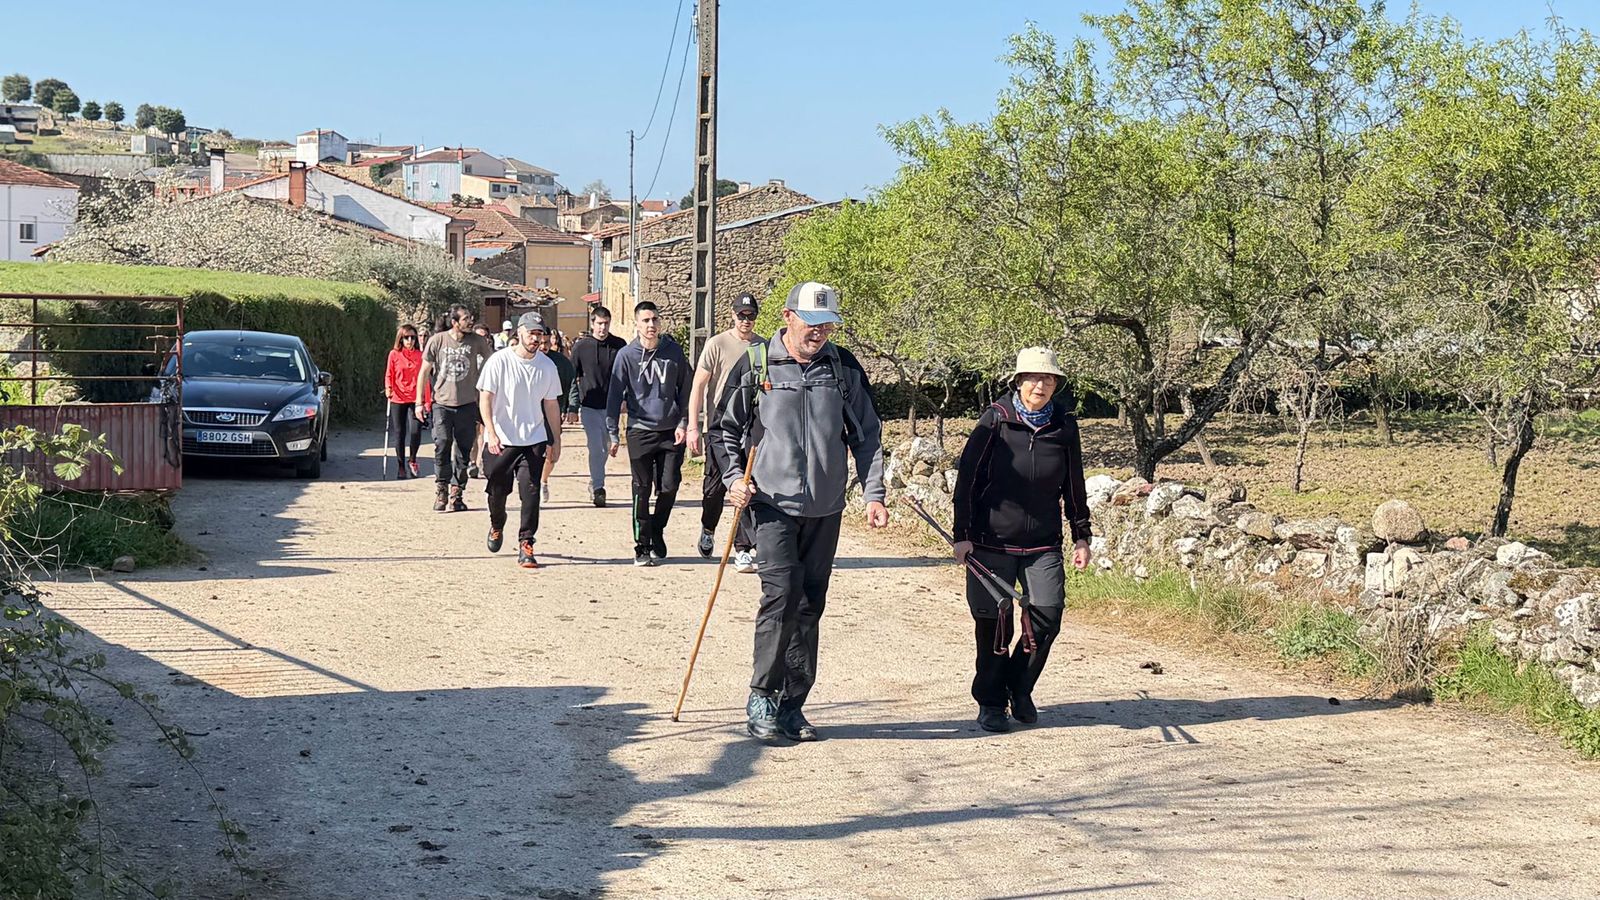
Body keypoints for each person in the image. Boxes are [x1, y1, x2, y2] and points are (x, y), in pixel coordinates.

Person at [708, 281, 888, 742]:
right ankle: (762, 696)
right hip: (771, 503)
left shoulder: (843, 368)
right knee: (781, 595)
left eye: (827, 324)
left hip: (825, 507)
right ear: (788, 317)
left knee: (810, 605)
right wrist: (734, 480)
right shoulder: (757, 365)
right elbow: (723, 432)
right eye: (812, 323)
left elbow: (866, 434)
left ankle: (793, 704)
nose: (820, 332)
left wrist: (873, 493)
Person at [951, 347, 1093, 733]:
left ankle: (1020, 686)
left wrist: (1081, 535)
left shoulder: (1064, 425)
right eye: (1032, 377)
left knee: (1046, 617)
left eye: (1048, 379)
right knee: (995, 626)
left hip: (1043, 543)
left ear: (1056, 384)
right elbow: (967, 482)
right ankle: (991, 702)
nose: (1040, 384)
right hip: (990, 542)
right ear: (1018, 381)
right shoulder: (996, 420)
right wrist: (962, 536)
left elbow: (1073, 484)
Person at [606, 300, 691, 567]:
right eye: (645, 320)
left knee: (669, 486)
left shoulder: (673, 352)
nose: (651, 325)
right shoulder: (626, 356)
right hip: (640, 430)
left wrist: (685, 422)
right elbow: (614, 394)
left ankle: (657, 529)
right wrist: (612, 432)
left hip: (670, 430)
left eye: (654, 319)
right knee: (641, 489)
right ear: (637, 324)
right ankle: (642, 545)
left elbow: (686, 389)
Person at [478, 314, 563, 569]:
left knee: (531, 492)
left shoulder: (547, 366)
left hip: (533, 439)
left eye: (540, 334)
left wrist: (555, 439)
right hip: (502, 439)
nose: (536, 339)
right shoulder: (499, 361)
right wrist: (491, 432)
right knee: (497, 490)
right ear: (520, 332)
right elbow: (486, 398)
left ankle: (526, 542)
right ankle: (497, 523)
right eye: (532, 333)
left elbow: (551, 405)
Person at [686, 292, 763, 572]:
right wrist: (694, 426)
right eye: (742, 315)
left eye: (751, 315)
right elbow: (698, 387)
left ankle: (743, 548)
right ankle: (708, 528)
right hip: (720, 429)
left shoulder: (762, 348)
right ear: (733, 315)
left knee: (745, 488)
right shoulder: (717, 344)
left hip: (751, 430)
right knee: (714, 489)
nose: (746, 321)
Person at [416, 304, 494, 512]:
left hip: (467, 404)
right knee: (442, 444)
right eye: (466, 318)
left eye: (471, 317)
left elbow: (492, 361)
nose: (470, 321)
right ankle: (441, 490)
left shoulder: (477, 341)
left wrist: (484, 384)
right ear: (455, 322)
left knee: (463, 451)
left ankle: (457, 492)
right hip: (441, 403)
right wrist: (418, 402)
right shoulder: (438, 341)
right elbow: (424, 372)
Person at [569, 306, 627, 507]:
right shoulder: (581, 347)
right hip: (589, 406)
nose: (603, 328)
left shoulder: (619, 346)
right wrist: (572, 407)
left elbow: (625, 376)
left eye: (606, 323)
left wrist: (625, 398)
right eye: (599, 323)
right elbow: (572, 377)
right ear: (592, 324)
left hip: (611, 406)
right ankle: (598, 489)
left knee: (607, 448)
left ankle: (594, 480)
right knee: (596, 447)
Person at [383, 324, 428, 479]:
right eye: (406, 337)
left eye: (413, 337)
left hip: (416, 398)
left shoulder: (420, 355)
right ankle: (400, 466)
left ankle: (413, 459)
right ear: (400, 339)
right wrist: (388, 388)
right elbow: (389, 374)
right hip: (398, 397)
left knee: (416, 430)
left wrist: (427, 400)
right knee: (399, 433)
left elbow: (426, 379)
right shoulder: (394, 354)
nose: (410, 341)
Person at [540, 329, 576, 504]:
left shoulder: (561, 363)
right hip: (531, 414)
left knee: (552, 453)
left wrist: (572, 407)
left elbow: (572, 386)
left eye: (547, 342)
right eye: (541, 342)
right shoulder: (525, 361)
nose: (544, 346)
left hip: (553, 412)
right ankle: (532, 481)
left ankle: (543, 480)